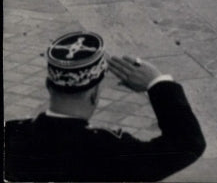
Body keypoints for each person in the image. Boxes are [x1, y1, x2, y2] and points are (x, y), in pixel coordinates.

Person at [4, 30, 205, 182]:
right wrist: (158, 83)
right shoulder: (110, 151)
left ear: (49, 86)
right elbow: (187, 144)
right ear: (94, 95)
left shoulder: (11, 135)